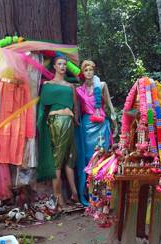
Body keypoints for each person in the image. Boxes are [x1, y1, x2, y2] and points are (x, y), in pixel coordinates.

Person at [37, 54, 79, 210]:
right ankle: (58, 197)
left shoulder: (70, 86)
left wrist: (76, 119)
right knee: (58, 160)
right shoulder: (48, 85)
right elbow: (42, 107)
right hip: (56, 121)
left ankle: (74, 194)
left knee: (70, 159)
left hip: (69, 121)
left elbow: (75, 106)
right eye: (59, 64)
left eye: (64, 64)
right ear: (54, 66)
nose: (62, 66)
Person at [75, 60, 117, 205]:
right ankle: (89, 192)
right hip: (87, 126)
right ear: (82, 73)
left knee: (102, 156)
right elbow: (78, 109)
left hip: (101, 124)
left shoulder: (102, 85)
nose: (88, 72)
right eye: (85, 70)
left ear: (94, 71)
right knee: (88, 158)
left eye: (91, 69)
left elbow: (109, 103)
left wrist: (114, 117)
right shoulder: (79, 90)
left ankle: (105, 193)